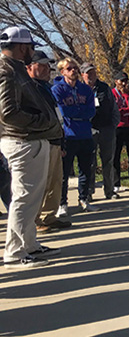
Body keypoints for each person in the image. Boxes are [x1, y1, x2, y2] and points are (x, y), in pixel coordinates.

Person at [0, 26, 62, 268]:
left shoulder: (14, 70)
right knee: (25, 198)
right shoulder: (6, 72)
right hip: (23, 140)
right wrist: (43, 122)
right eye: (31, 47)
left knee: (32, 197)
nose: (32, 52)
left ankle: (29, 244)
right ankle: (15, 252)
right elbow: (8, 113)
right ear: (23, 47)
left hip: (30, 140)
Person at [27, 51, 71, 232]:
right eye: (42, 65)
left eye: (48, 66)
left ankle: (49, 216)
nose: (47, 69)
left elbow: (56, 114)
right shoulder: (29, 88)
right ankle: (35, 220)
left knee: (55, 181)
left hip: (55, 140)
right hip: (41, 141)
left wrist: (61, 141)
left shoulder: (46, 87)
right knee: (41, 184)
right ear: (29, 67)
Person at [53, 57, 97, 214]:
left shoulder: (85, 90)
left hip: (85, 134)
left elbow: (91, 111)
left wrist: (77, 112)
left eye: (75, 68)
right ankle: (62, 203)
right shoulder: (58, 90)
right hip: (68, 135)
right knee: (64, 172)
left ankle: (84, 199)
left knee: (86, 169)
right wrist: (79, 111)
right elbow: (64, 112)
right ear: (62, 71)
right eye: (69, 68)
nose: (73, 71)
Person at [82, 63, 120, 200]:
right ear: (83, 75)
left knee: (108, 161)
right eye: (88, 73)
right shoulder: (80, 89)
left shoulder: (104, 88)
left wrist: (114, 124)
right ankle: (89, 191)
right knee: (90, 162)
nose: (91, 75)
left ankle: (109, 190)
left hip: (107, 129)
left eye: (93, 72)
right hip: (89, 130)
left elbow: (114, 107)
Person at [112, 71, 129, 192]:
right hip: (117, 127)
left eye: (125, 81)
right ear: (116, 82)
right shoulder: (112, 93)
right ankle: (116, 183)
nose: (124, 83)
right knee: (115, 155)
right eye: (121, 81)